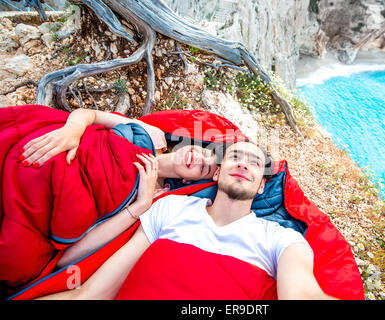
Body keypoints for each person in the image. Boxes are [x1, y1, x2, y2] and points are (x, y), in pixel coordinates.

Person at [38, 141, 337, 300]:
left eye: (255, 163)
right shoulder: (171, 208)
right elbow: (93, 293)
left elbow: (302, 294)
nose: (244, 163)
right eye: (234, 157)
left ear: (261, 186)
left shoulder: (281, 239)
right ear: (217, 173)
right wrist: (142, 205)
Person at [16, 108, 219, 268]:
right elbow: (90, 115)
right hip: (55, 151)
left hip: (48, 197)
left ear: (187, 182)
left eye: (203, 168)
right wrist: (73, 131)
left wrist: (140, 205)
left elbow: (68, 258)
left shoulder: (151, 198)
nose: (200, 158)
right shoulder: (153, 135)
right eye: (206, 153)